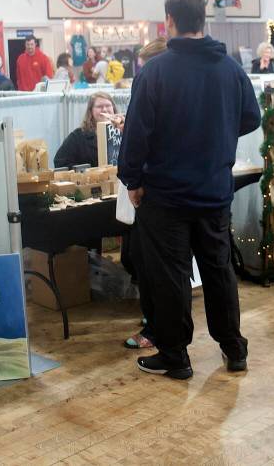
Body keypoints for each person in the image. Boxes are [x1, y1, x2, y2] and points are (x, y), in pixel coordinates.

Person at [118, 0, 261, 380]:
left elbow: (136, 134)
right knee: (219, 271)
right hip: (215, 191)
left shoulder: (157, 72)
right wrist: (217, 133)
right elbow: (251, 118)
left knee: (170, 277)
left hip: (165, 195)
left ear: (170, 22)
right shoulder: (230, 68)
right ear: (204, 21)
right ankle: (234, 348)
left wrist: (132, 179)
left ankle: (176, 357)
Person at [121, 39, 169, 351]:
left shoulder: (152, 82)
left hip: (156, 190)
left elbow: (137, 138)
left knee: (154, 266)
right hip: (184, 188)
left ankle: (157, 331)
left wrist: (132, 179)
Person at [53, 92, 118, 169]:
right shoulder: (77, 136)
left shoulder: (122, 133)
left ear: (113, 108)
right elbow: (60, 162)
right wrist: (86, 171)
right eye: (99, 106)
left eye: (108, 105)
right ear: (91, 111)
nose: (104, 109)